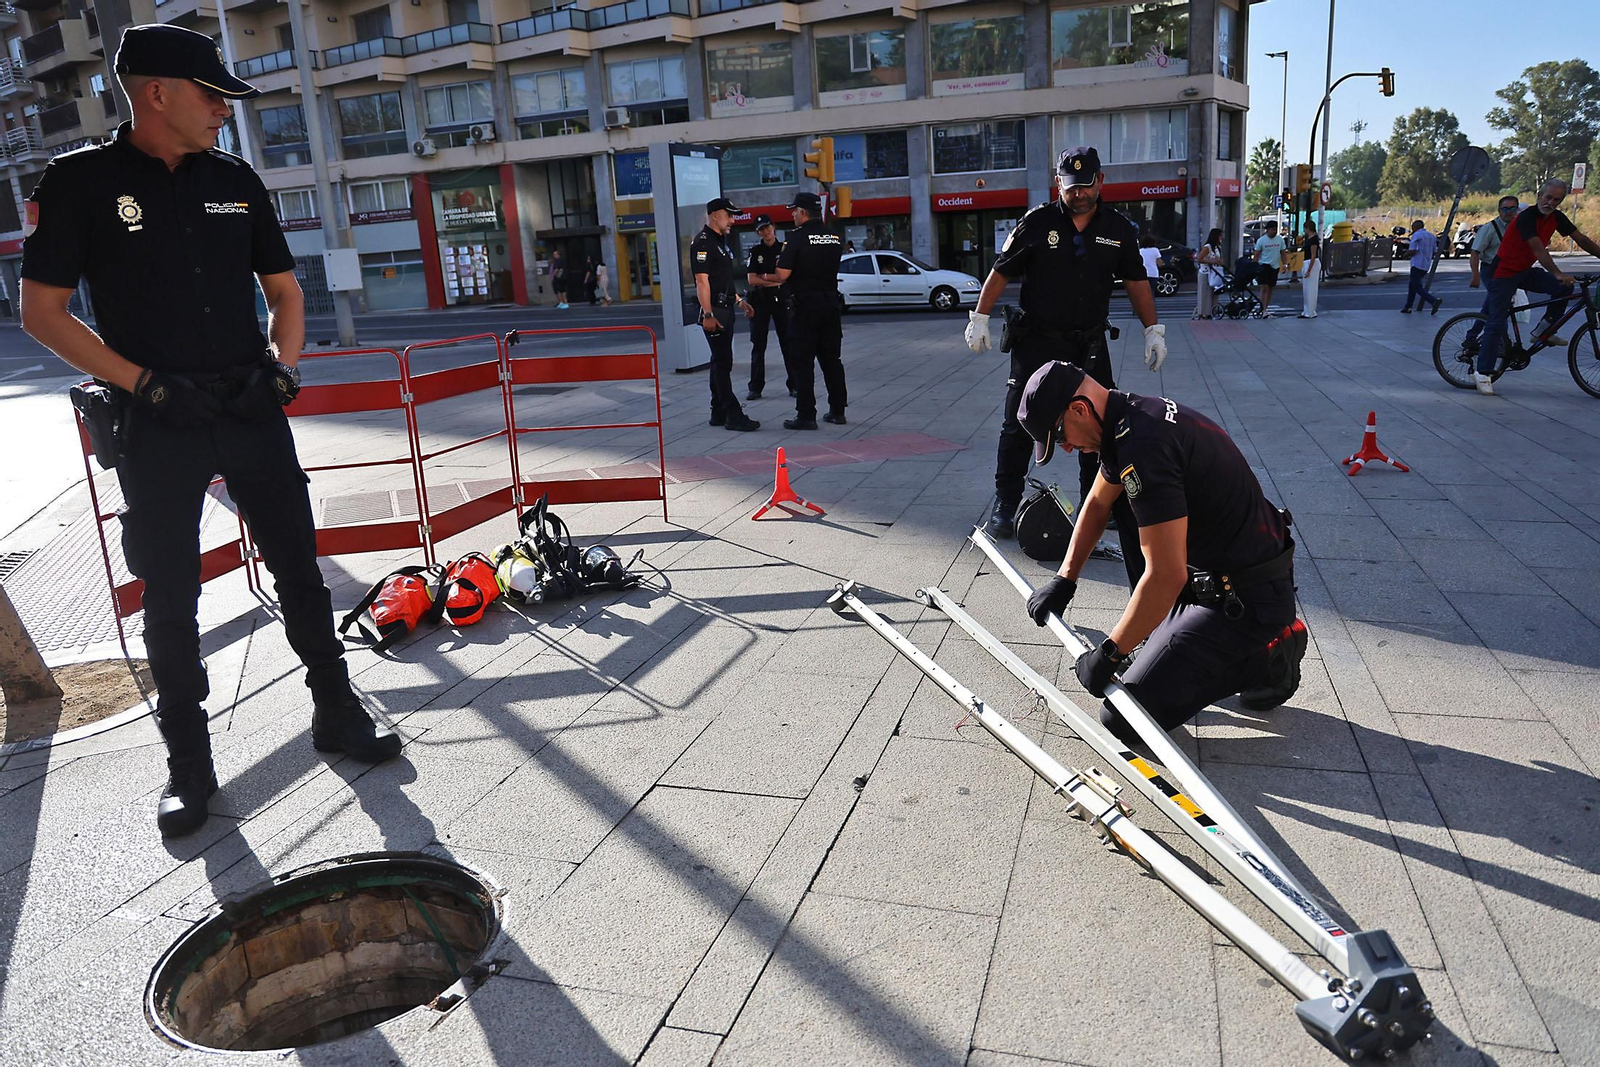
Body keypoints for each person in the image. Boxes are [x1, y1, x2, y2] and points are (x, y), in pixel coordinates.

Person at [18, 24, 401, 837]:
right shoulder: (80, 181)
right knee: (171, 599)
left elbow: (287, 293)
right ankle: (189, 769)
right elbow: (42, 313)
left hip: (249, 406)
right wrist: (143, 385)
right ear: (156, 93)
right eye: (212, 95)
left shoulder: (235, 179)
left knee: (300, 568)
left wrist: (283, 367)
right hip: (160, 420)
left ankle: (336, 709)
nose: (225, 111)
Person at [1016, 361, 1307, 745]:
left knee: (1123, 716)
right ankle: (1191, 640)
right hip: (1212, 578)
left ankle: (1270, 655)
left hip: (1245, 601)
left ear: (1079, 409)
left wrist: (1108, 653)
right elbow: (1098, 504)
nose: (1067, 448)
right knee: (1124, 506)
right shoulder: (1130, 416)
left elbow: (1166, 576)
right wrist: (1064, 579)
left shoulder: (1143, 446)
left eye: (1060, 436)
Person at [963, 145, 1165, 585]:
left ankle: (1100, 505)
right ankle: (1005, 502)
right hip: (1036, 341)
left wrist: (1154, 330)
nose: (1080, 195)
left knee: (1103, 426)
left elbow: (1135, 281)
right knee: (1017, 424)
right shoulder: (1036, 223)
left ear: (1101, 181)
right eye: (1072, 188)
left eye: (1087, 186)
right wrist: (979, 316)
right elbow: (1002, 270)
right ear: (1060, 185)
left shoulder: (1118, 228)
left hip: (1087, 345)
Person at [1476, 178, 1600, 395]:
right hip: (1503, 272)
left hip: (1524, 271)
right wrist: (1557, 273)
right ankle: (1483, 372)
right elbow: (1538, 250)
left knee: (1563, 289)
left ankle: (1543, 330)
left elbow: (1581, 239)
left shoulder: (1557, 217)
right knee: (1496, 321)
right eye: (1548, 197)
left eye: (1557, 200)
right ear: (1539, 196)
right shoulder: (1526, 217)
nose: (1550, 202)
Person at [776, 191, 847, 430]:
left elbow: (782, 274)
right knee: (832, 360)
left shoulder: (795, 238)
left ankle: (806, 415)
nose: (793, 215)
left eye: (794, 211)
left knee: (803, 362)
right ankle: (837, 411)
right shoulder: (834, 237)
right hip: (830, 304)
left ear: (803, 213)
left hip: (805, 307)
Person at [690, 197, 759, 431]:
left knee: (719, 361)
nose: (732, 220)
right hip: (715, 311)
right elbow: (702, 282)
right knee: (722, 362)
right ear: (715, 215)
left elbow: (723, 279)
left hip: (726, 306)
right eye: (729, 215)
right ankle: (732, 414)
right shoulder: (702, 242)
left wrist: (739, 301)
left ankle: (718, 411)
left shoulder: (721, 241)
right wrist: (708, 314)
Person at [744, 213, 792, 400]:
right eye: (761, 229)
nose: (766, 232)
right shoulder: (755, 252)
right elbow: (751, 279)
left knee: (788, 343)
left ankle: (794, 385)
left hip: (782, 300)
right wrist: (775, 279)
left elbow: (787, 276)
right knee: (758, 345)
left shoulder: (785, 249)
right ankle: (755, 387)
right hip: (760, 300)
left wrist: (765, 277)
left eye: (768, 227)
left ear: (774, 226)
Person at [1400, 220, 1442, 315]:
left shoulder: (1416, 235)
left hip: (1417, 264)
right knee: (1412, 286)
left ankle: (1433, 301)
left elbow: (1413, 250)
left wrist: (1405, 255)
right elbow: (1434, 251)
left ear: (1415, 227)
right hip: (1426, 264)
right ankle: (1408, 306)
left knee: (1417, 286)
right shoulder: (1431, 236)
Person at [1252, 219, 1284, 315]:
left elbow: (1283, 252)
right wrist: (1253, 266)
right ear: (1268, 230)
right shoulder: (1261, 240)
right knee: (1264, 287)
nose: (1274, 231)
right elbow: (1257, 254)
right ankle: (1262, 308)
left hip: (1275, 266)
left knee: (1270, 288)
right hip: (1264, 265)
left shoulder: (1280, 239)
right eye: (1272, 229)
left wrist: (1285, 264)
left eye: (1275, 229)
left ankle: (1265, 308)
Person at [1195, 227, 1225, 320]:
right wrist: (1211, 261)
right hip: (1205, 272)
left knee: (1214, 292)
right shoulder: (1207, 247)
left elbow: (1221, 260)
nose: (1222, 237)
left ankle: (1213, 310)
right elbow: (1199, 258)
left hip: (1214, 272)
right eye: (1220, 235)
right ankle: (1203, 312)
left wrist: (1220, 262)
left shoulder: (1217, 248)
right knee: (1205, 293)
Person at [1297, 220, 1321, 319]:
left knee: (1311, 288)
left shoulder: (1314, 239)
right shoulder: (1309, 238)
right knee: (1306, 289)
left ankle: (1310, 311)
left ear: (1308, 228)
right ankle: (1306, 310)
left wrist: (1309, 270)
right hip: (1307, 262)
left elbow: (1313, 255)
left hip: (1312, 263)